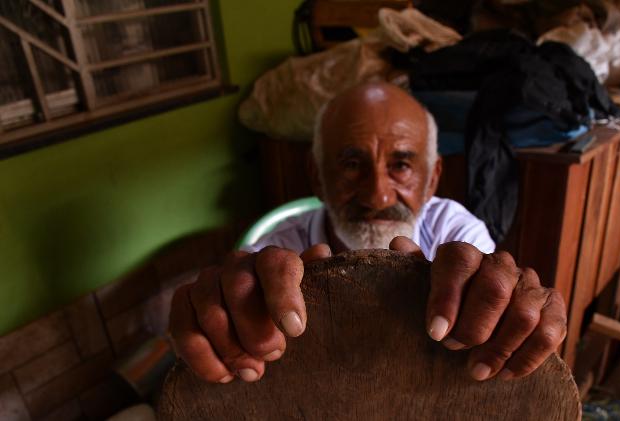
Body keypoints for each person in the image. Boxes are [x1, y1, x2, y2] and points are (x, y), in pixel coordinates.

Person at [168, 82, 567, 386]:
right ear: (317, 178)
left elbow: (493, 303)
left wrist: (512, 307)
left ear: (432, 182)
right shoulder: (278, 250)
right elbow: (234, 298)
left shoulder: (454, 232)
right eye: (352, 164)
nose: (378, 195)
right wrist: (216, 318)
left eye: (401, 166)